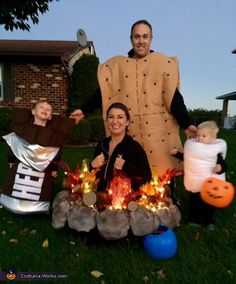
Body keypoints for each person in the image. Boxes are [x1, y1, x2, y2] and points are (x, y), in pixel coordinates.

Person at [97, 19, 197, 204]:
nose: (141, 41)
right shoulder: (119, 66)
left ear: (151, 39)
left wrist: (187, 122)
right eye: (137, 36)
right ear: (131, 39)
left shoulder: (161, 64)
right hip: (132, 131)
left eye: (145, 36)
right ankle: (134, 201)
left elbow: (173, 97)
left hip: (158, 130)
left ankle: (167, 199)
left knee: (163, 166)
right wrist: (82, 108)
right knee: (134, 169)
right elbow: (104, 91)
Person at [0, 100, 84, 214]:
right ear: (33, 111)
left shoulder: (53, 135)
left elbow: (57, 150)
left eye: (48, 109)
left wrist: (54, 168)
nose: (45, 109)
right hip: (21, 170)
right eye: (41, 107)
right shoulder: (23, 129)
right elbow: (14, 143)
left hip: (41, 173)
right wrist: (11, 159)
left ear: (50, 117)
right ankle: (12, 201)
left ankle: (39, 206)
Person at [171, 121, 227, 230]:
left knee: (209, 203)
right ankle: (193, 219)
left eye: (204, 136)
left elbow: (224, 164)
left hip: (209, 183)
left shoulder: (215, 152)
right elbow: (186, 158)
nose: (199, 138)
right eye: (198, 135)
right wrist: (176, 154)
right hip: (196, 182)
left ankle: (208, 220)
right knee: (194, 201)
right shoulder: (194, 149)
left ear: (213, 138)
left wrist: (220, 168)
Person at [91, 102, 152, 192]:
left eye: (120, 117)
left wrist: (126, 166)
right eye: (111, 117)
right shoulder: (101, 145)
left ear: (127, 122)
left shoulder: (134, 147)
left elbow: (147, 177)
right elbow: (90, 175)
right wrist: (92, 165)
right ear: (107, 121)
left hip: (125, 201)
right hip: (100, 197)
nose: (115, 121)